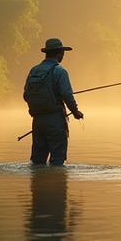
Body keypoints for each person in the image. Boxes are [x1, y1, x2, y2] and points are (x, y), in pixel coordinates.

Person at [23, 38, 84, 166]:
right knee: (57, 161)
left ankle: (37, 185)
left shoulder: (34, 70)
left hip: (38, 121)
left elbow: (26, 95)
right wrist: (75, 112)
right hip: (55, 120)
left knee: (37, 161)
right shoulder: (60, 71)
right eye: (62, 52)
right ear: (59, 53)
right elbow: (67, 95)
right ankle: (56, 184)